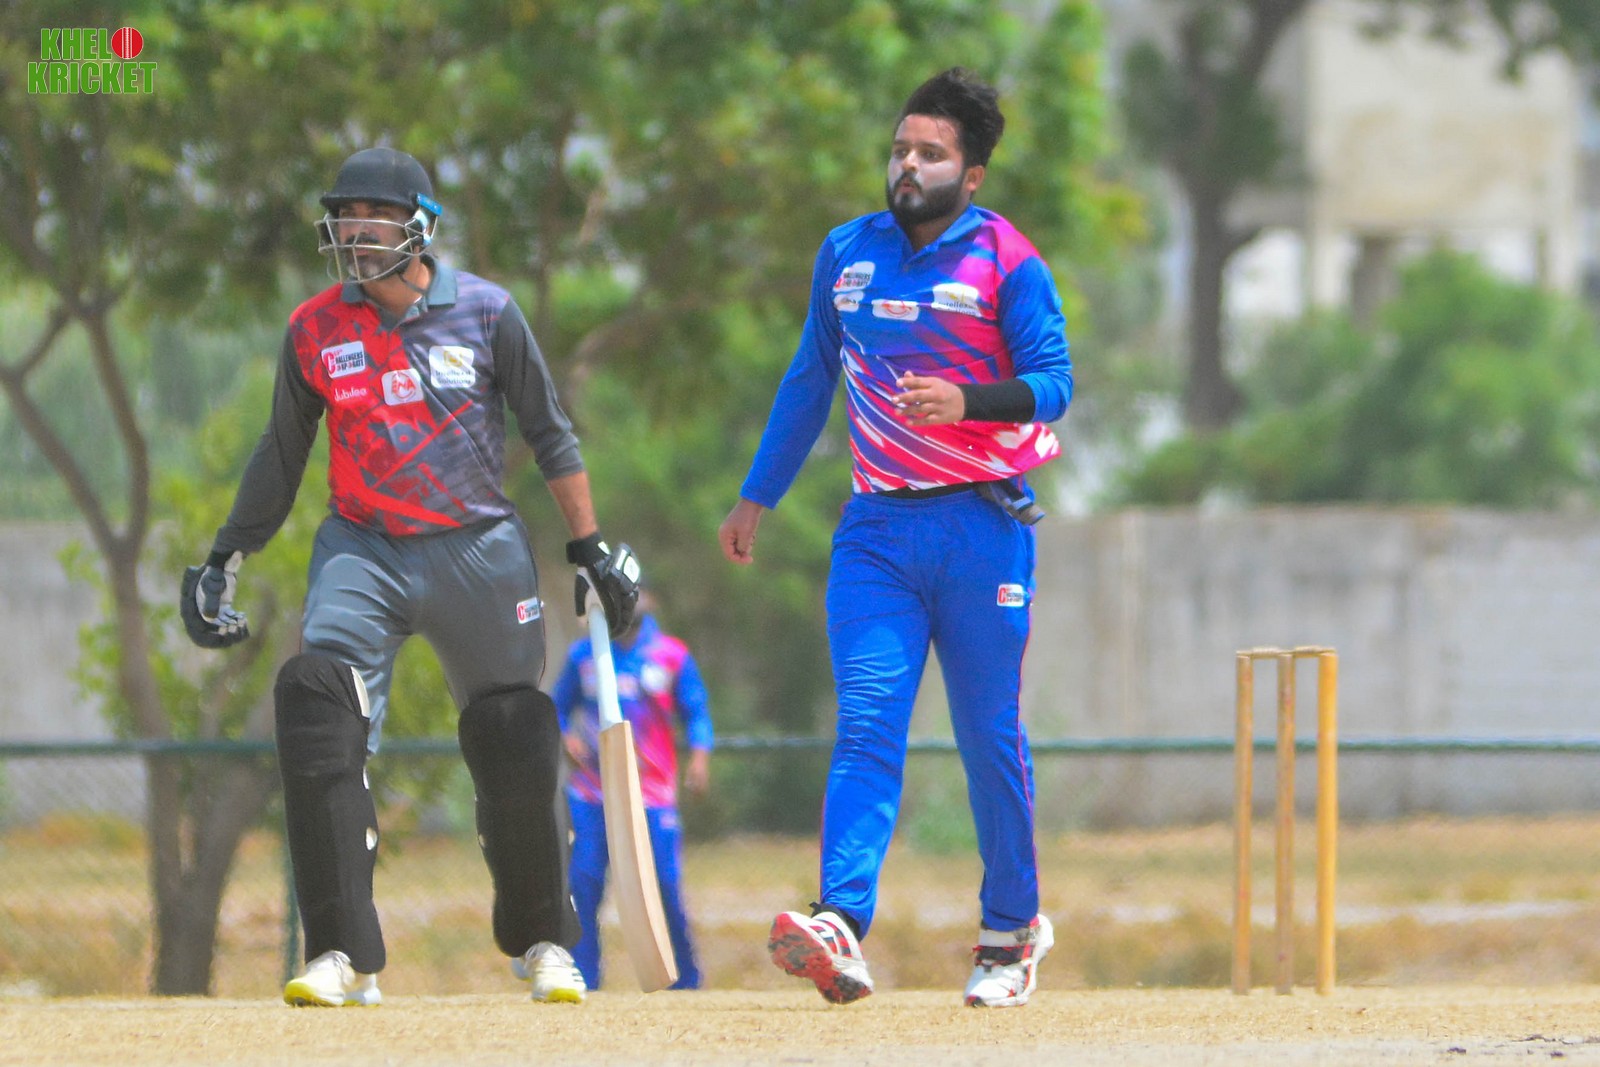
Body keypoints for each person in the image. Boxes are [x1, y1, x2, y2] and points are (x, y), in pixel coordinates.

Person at [178, 147, 642, 1008]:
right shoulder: (314, 328)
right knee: (318, 707)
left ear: (420, 225)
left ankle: (544, 941)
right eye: (344, 216)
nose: (355, 232)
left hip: (478, 549)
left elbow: (550, 432)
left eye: (374, 215)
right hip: (364, 548)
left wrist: (589, 547)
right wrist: (224, 556)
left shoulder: (487, 311)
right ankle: (340, 953)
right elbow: (281, 455)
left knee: (515, 728)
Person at [716, 68, 1071, 1008]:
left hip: (983, 525)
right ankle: (840, 919)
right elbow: (808, 380)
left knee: (987, 735)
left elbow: (1054, 385)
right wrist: (756, 497)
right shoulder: (847, 252)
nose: (908, 165)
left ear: (972, 174)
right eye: (901, 148)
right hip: (876, 530)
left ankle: (1011, 931)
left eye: (932, 153)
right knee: (869, 722)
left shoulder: (1007, 260)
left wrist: (968, 400)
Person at [551, 587, 714, 990]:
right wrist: (565, 738)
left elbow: (696, 712)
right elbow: (556, 707)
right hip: (592, 792)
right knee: (584, 883)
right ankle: (584, 977)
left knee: (665, 884)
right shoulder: (585, 655)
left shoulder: (671, 655)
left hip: (652, 794)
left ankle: (685, 980)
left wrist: (699, 758)